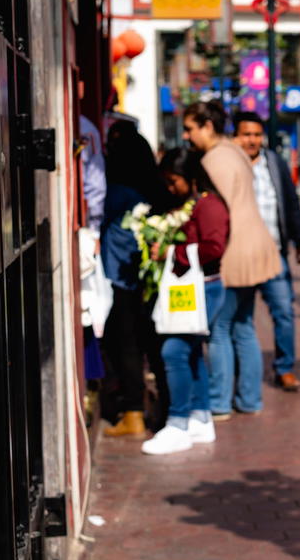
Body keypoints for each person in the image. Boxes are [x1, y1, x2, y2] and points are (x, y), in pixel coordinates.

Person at [182, 100, 282, 419]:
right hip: (255, 243)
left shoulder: (215, 159)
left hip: (235, 248)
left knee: (221, 327)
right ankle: (249, 399)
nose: (186, 135)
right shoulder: (234, 151)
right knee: (243, 326)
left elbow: (216, 212)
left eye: (189, 128)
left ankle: (219, 401)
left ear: (207, 126)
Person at [141, 149, 229, 455]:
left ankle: (178, 423)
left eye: (173, 181)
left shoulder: (209, 205)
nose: (169, 188)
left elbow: (214, 246)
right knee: (189, 352)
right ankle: (200, 418)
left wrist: (172, 253)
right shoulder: (194, 204)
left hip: (204, 287)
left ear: (190, 177)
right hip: (192, 288)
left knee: (174, 350)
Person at [232, 112, 300, 392]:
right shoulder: (229, 164)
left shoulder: (273, 162)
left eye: (255, 134)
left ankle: (284, 368)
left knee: (284, 312)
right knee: (241, 316)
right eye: (245, 134)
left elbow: (289, 201)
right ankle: (243, 368)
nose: (251, 140)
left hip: (273, 253)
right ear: (235, 135)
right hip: (239, 254)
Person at [99, 125, 167, 437]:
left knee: (124, 343)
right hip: (151, 279)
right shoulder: (155, 189)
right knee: (153, 344)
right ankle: (162, 409)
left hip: (122, 279)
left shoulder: (115, 192)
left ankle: (133, 413)